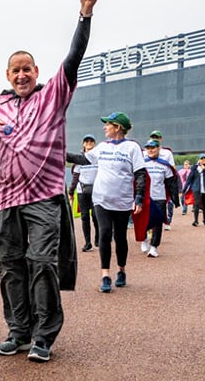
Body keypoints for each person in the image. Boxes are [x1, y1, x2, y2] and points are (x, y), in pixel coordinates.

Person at [0, 0, 99, 363]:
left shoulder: (54, 95)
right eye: (15, 70)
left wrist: (85, 14)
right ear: (8, 74)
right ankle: (18, 330)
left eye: (26, 69)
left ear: (36, 71)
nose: (21, 75)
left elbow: (74, 56)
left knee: (42, 262)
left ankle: (45, 335)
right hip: (6, 197)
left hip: (44, 197)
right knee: (10, 266)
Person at [67, 112, 147, 292]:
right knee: (104, 234)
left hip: (123, 201)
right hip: (101, 199)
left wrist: (139, 198)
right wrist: (59, 153)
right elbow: (82, 159)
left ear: (118, 127)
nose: (105, 127)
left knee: (120, 237)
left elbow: (140, 174)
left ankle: (121, 270)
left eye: (108, 124)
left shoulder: (132, 148)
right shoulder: (102, 147)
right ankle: (105, 275)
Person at [141, 139, 180, 258]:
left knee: (157, 223)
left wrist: (175, 198)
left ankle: (154, 247)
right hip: (144, 197)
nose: (150, 150)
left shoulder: (164, 165)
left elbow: (171, 183)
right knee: (143, 221)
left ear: (158, 148)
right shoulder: (142, 163)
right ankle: (144, 239)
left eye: (153, 148)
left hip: (159, 198)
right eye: (148, 148)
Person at [68, 134, 99, 252]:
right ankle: (87, 242)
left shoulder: (98, 157)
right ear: (83, 144)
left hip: (96, 191)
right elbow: (76, 176)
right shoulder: (79, 159)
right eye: (87, 141)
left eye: (91, 141)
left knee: (96, 216)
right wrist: (71, 191)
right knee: (84, 216)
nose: (89, 143)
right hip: (82, 191)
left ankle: (97, 237)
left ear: (94, 144)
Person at [146, 130, 176, 229]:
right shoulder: (145, 152)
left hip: (163, 180)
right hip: (150, 181)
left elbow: (172, 167)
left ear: (161, 139)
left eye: (157, 137)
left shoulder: (167, 153)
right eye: (153, 137)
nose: (155, 138)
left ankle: (167, 220)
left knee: (168, 201)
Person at [183, 154, 205, 227]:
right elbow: (189, 179)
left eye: (204, 158)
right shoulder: (194, 168)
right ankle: (196, 221)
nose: (203, 160)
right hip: (196, 189)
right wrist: (184, 189)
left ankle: (204, 219)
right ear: (199, 159)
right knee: (196, 204)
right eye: (201, 158)